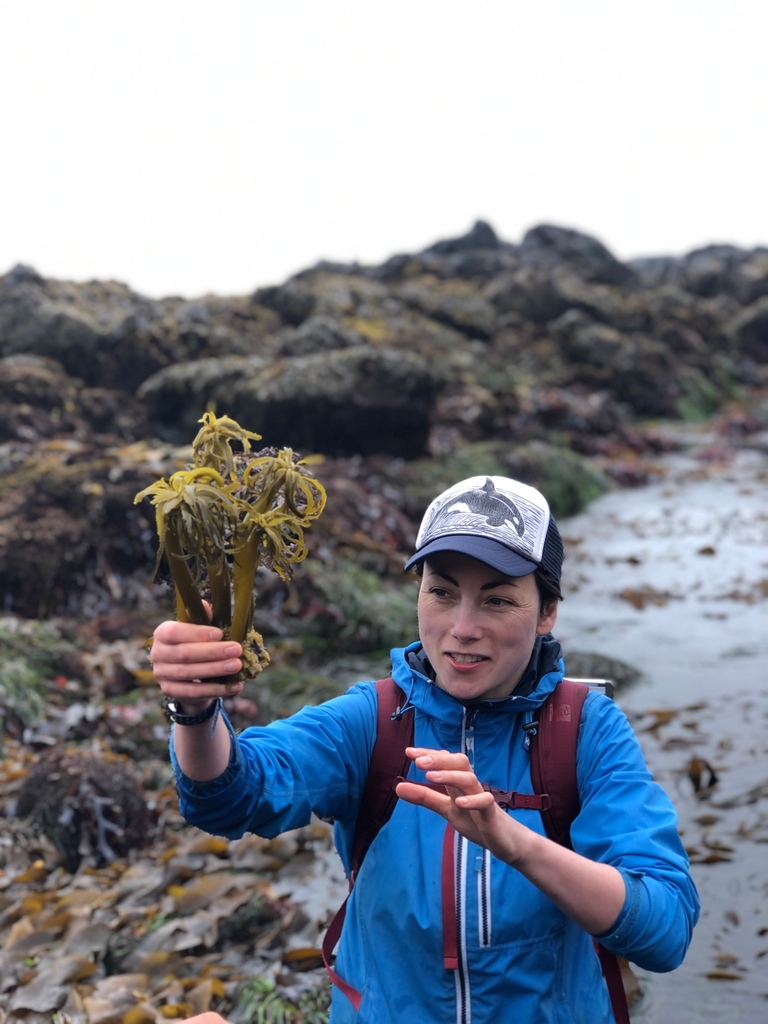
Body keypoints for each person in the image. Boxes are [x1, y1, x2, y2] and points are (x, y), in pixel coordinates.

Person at [150, 474, 700, 1023]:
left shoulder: (584, 731)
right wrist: (194, 710)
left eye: (498, 600)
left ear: (547, 611)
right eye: (441, 592)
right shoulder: (374, 721)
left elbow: (664, 930)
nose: (462, 628)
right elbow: (229, 796)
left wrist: (517, 845)